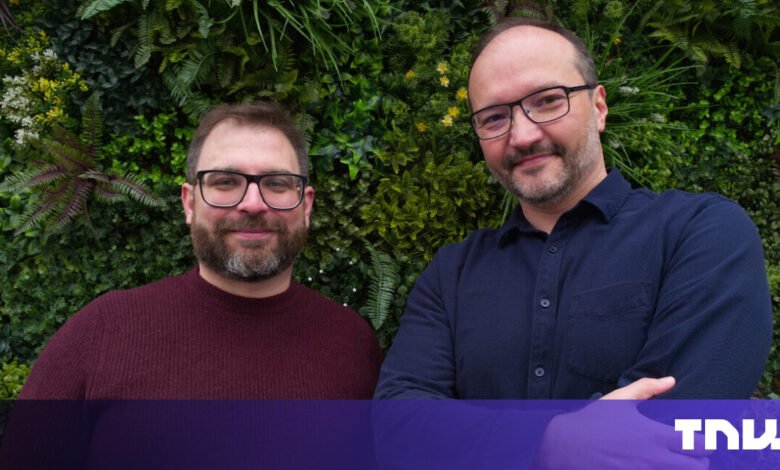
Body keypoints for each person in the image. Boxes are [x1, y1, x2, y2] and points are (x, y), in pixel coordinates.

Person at [375, 16, 772, 403]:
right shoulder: (451, 276)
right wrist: (557, 443)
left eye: (548, 101)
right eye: (494, 117)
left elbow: (673, 426)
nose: (523, 135)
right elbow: (401, 428)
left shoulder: (700, 234)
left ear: (598, 108)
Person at [18, 100, 383, 400]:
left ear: (305, 206)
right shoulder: (101, 333)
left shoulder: (352, 344)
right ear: (189, 203)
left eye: (276, 183)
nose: (253, 203)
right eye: (225, 182)